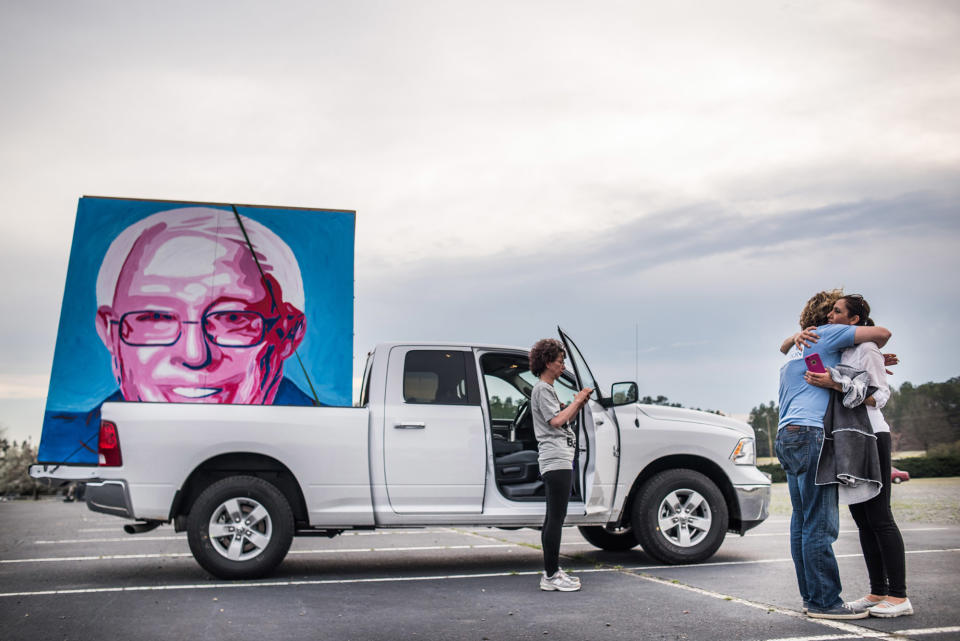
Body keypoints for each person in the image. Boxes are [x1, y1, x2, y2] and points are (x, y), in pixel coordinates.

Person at [42, 207, 315, 461]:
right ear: (108, 332)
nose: (195, 355)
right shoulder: (67, 445)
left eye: (232, 318)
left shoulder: (328, 439)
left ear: (289, 333)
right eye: (156, 317)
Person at [776, 290, 891, 619]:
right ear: (826, 316)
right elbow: (881, 333)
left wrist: (882, 360)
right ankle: (826, 602)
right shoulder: (827, 333)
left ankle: (811, 596)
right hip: (813, 434)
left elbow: (783, 346)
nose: (832, 317)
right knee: (820, 524)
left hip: (787, 435)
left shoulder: (795, 350)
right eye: (832, 312)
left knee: (801, 523)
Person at [800, 295, 912, 618]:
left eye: (837, 311)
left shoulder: (867, 350)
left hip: (873, 435)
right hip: (852, 439)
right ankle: (878, 590)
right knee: (862, 520)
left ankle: (900, 595)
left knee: (880, 516)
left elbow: (881, 395)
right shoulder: (843, 350)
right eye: (830, 310)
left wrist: (837, 385)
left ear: (854, 320)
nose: (830, 315)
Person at [528, 338, 592, 592]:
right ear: (547, 362)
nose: (563, 365)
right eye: (560, 360)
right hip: (556, 458)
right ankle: (551, 575)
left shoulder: (547, 389)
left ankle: (552, 572)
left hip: (558, 457)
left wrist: (576, 405)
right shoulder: (542, 389)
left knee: (553, 517)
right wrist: (577, 401)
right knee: (555, 517)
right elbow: (555, 422)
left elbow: (562, 420)